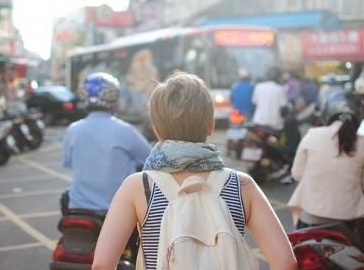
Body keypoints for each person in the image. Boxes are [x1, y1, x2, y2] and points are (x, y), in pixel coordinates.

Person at [91, 72, 297, 270]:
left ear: (157, 130)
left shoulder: (139, 187)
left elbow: (102, 265)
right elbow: (285, 261)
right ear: (211, 126)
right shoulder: (242, 185)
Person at [61, 72, 152, 214]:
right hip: (116, 212)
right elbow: (151, 159)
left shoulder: (73, 130)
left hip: (78, 208)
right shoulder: (125, 131)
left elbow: (69, 163)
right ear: (114, 98)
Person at [287, 90, 364, 231]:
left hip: (310, 219)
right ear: (358, 116)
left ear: (327, 114)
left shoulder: (312, 135)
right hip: (349, 221)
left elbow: (297, 174)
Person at [251, 66, 288, 132]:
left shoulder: (258, 87)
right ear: (279, 77)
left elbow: (254, 103)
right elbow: (284, 108)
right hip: (275, 125)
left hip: (258, 123)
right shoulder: (280, 89)